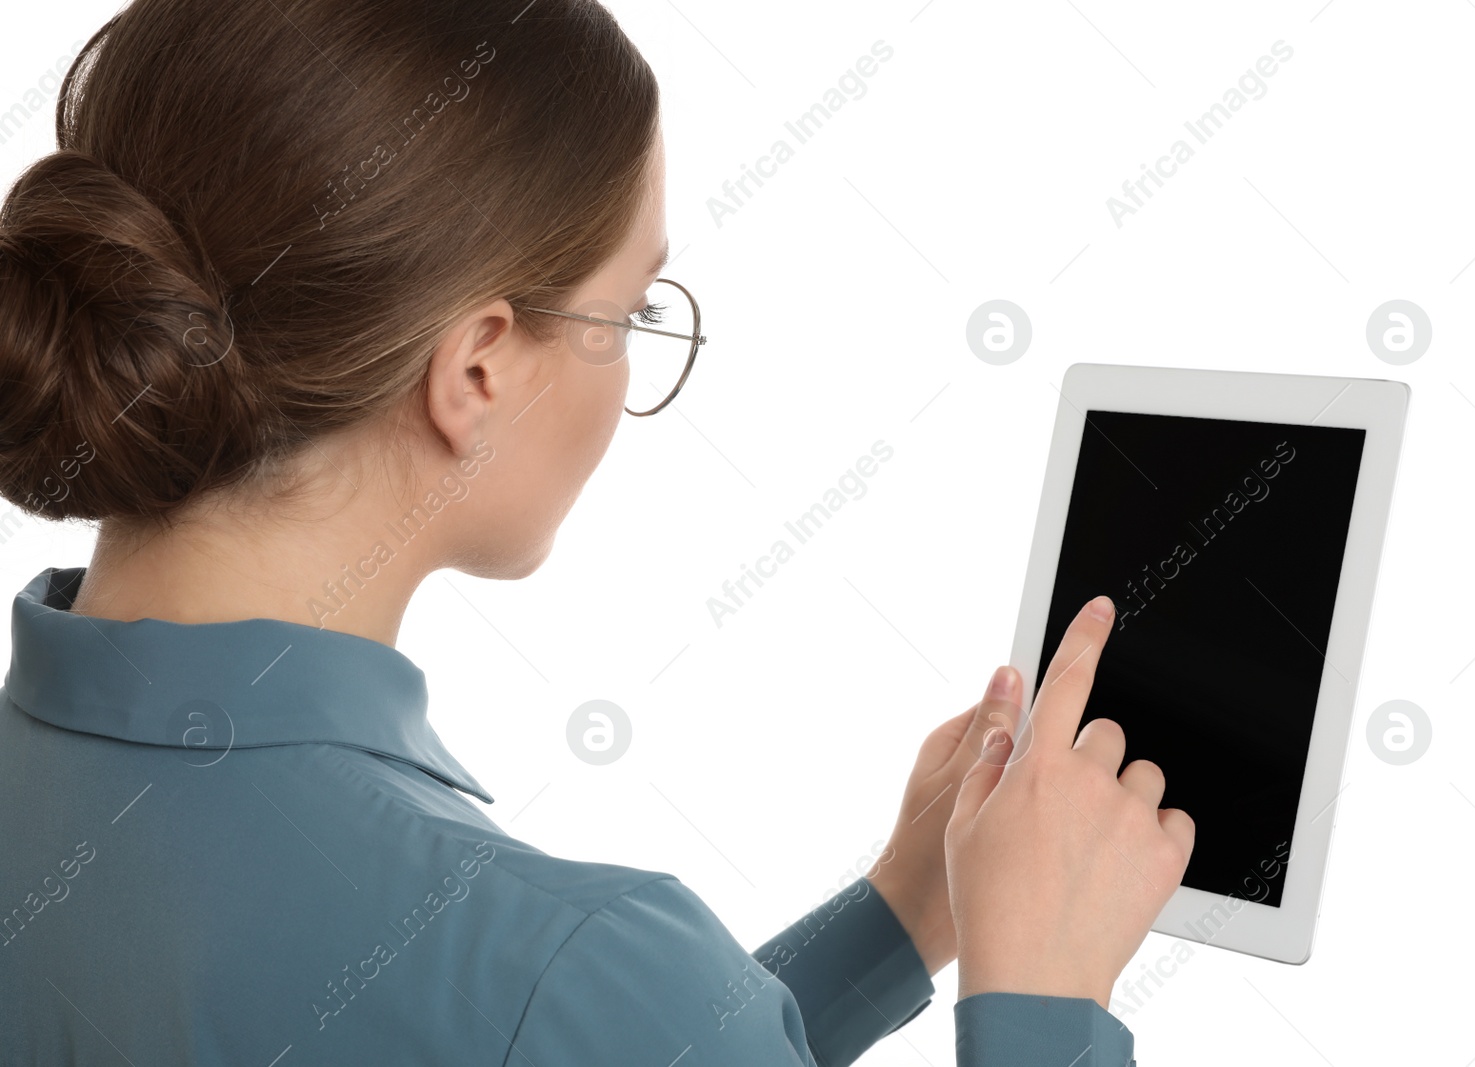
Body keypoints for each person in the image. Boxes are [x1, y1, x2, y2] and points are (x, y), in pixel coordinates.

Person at [0, 2, 1195, 1064]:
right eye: (625, 314)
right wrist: (1042, 1001)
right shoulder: (568, 964)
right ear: (476, 366)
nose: (628, 364)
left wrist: (895, 917)